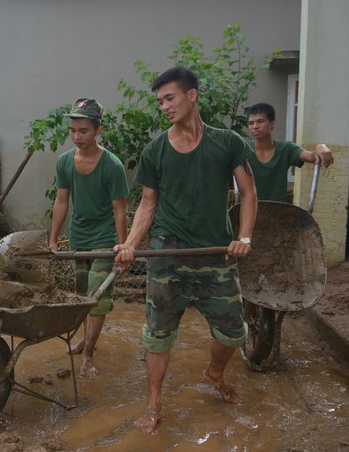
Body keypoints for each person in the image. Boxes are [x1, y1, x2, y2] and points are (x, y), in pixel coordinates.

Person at [113, 66, 257, 434]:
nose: (164, 106)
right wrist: (130, 245)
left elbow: (249, 193)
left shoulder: (228, 142)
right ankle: (154, 402)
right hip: (168, 251)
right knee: (158, 333)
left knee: (233, 332)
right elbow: (147, 205)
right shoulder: (156, 150)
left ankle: (214, 373)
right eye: (159, 101)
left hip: (215, 251)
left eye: (170, 98)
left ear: (192, 95)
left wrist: (244, 238)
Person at [48, 97, 129, 378]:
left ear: (98, 131)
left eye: (83, 131)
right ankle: (85, 341)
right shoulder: (65, 162)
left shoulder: (112, 166)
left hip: (106, 238)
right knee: (83, 296)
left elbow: (120, 210)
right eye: (72, 130)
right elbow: (61, 201)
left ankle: (89, 356)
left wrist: (124, 246)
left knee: (97, 297)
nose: (77, 136)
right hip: (78, 237)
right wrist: (53, 238)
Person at [246, 102, 334, 202]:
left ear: (272, 123)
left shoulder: (286, 148)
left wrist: (320, 146)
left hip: (279, 212)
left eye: (260, 121)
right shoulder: (244, 150)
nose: (255, 126)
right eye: (251, 123)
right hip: (248, 210)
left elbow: (312, 157)